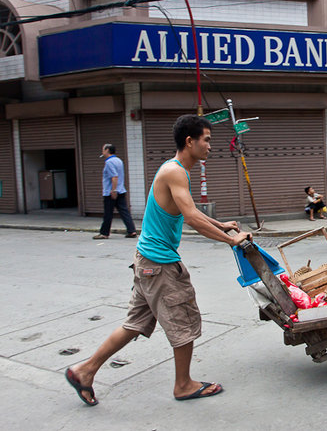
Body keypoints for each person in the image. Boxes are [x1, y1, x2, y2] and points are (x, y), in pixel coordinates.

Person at [66, 114, 252, 406]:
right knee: (183, 320)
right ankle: (183, 385)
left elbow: (190, 210)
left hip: (146, 261)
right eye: (207, 140)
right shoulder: (175, 172)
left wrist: (221, 225)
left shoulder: (175, 169)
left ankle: (84, 371)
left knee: (135, 323)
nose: (210, 147)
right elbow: (190, 217)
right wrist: (231, 240)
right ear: (190, 142)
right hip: (159, 264)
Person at [93, 144, 137, 239]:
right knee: (124, 211)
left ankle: (104, 233)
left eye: (103, 150)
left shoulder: (109, 162)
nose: (102, 152)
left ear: (107, 150)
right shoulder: (119, 161)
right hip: (121, 190)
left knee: (108, 213)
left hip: (111, 192)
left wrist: (113, 190)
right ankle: (131, 230)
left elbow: (114, 176)